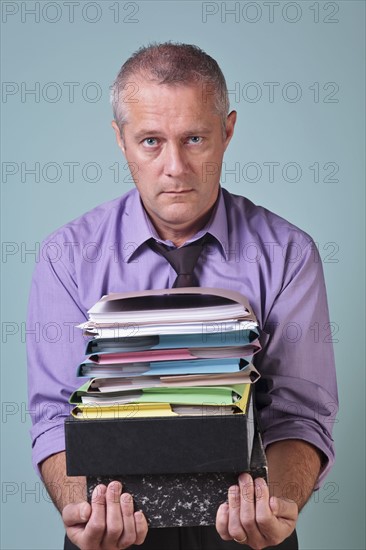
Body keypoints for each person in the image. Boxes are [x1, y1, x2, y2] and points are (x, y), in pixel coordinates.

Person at [27, 42, 338, 550]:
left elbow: (300, 413)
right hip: (110, 527)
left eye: (195, 138)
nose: (175, 167)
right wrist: (79, 507)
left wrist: (279, 503)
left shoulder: (288, 253)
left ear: (228, 132)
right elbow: (53, 413)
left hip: (251, 528)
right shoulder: (66, 256)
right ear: (120, 141)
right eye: (151, 141)